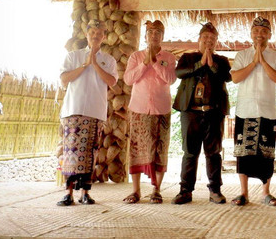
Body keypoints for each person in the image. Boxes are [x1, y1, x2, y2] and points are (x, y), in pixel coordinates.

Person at [57, 19, 117, 206]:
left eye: (99, 34)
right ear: (87, 34)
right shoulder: (73, 56)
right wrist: (84, 65)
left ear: (104, 37)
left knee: (90, 153)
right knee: (70, 153)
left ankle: (85, 193)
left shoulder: (108, 60)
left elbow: (112, 82)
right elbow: (64, 79)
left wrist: (95, 64)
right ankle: (68, 193)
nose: (95, 36)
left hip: (95, 112)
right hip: (73, 111)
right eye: (92, 33)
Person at [172, 22, 232, 205]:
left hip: (214, 113)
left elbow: (228, 77)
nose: (208, 41)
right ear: (199, 39)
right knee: (190, 152)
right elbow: (179, 73)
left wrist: (211, 64)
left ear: (216, 42)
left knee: (213, 153)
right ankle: (185, 191)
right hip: (191, 112)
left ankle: (215, 190)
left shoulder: (221, 60)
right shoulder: (187, 58)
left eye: (212, 39)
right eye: (205, 38)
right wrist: (200, 64)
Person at [230, 16, 276, 206]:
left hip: (267, 110)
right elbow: (235, 78)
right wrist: (254, 62)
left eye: (263, 31)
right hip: (245, 110)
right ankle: (243, 193)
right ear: (251, 34)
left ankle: (266, 192)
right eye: (256, 31)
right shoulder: (242, 55)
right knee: (242, 153)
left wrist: (263, 60)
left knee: (267, 152)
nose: (259, 34)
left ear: (269, 34)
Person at [122, 20, 176, 204]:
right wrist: (144, 63)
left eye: (158, 33)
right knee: (137, 150)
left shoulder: (168, 57)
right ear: (145, 36)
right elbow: (128, 79)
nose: (154, 36)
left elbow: (170, 79)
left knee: (160, 149)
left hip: (162, 109)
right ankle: (135, 191)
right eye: (151, 33)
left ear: (162, 36)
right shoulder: (135, 56)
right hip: (139, 109)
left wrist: (155, 63)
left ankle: (156, 190)